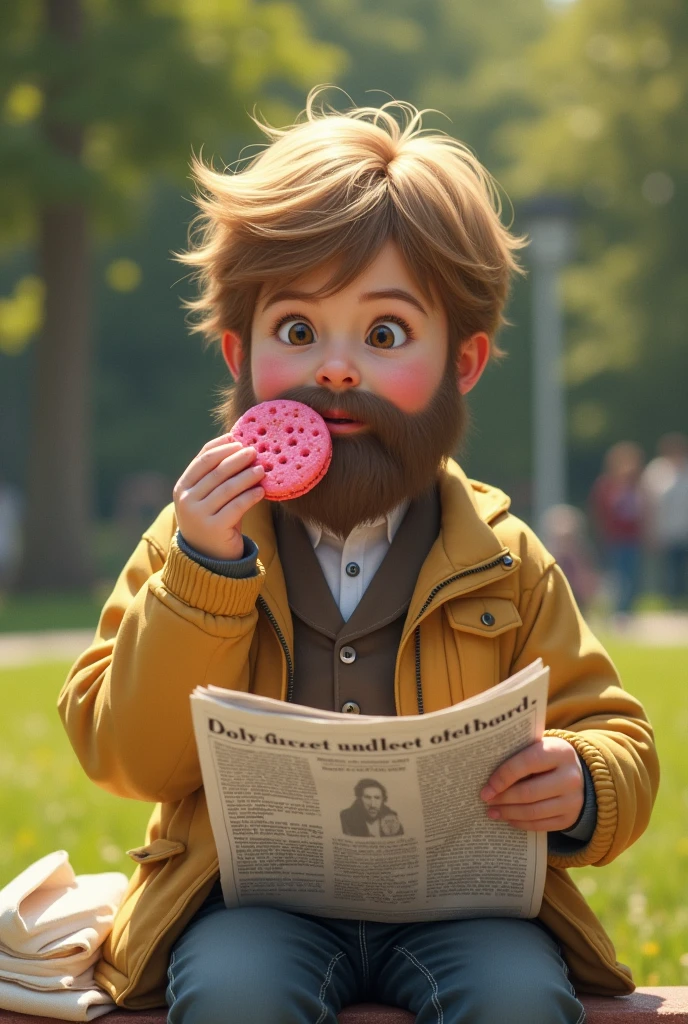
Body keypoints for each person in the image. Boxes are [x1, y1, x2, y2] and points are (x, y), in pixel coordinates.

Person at [58, 91, 658, 1024]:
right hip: (253, 908)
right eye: (297, 332)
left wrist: (581, 783)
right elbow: (119, 754)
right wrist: (202, 578)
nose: (336, 369)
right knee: (232, 998)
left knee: (520, 1002)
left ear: (463, 362)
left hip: (468, 911)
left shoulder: (504, 556)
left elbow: (618, 736)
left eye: (384, 335)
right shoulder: (191, 542)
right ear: (240, 356)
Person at [589, 441, 645, 616]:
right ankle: (618, 608)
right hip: (614, 537)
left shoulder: (637, 486)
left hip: (633, 537)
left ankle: (629, 607)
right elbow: (600, 511)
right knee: (618, 575)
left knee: (633, 573)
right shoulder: (606, 485)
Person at [641, 433, 688, 604]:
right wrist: (650, 531)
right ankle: (672, 601)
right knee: (670, 570)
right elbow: (649, 504)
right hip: (665, 531)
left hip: (685, 529)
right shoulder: (657, 471)